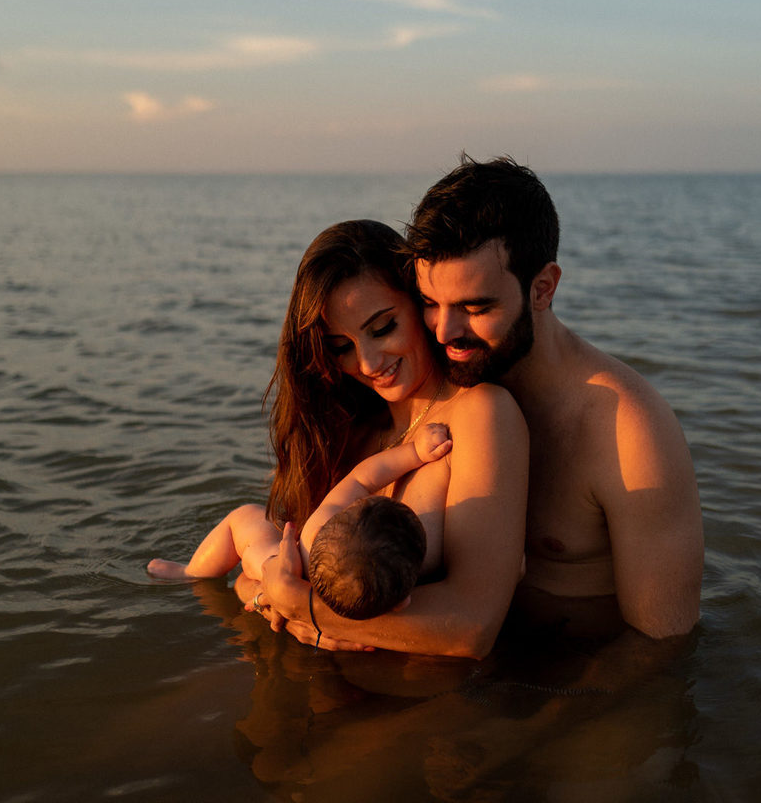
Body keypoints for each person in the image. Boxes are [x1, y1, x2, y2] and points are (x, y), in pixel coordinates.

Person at [405, 155, 703, 639]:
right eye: (429, 303)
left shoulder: (627, 429)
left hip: (568, 669)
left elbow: (662, 647)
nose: (444, 332)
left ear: (543, 289)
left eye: (475, 307)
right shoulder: (430, 381)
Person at [203, 219, 528, 657]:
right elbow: (262, 572)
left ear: (421, 304)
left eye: (383, 327)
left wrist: (304, 608)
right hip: (324, 675)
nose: (369, 363)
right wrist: (272, 599)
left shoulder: (479, 413)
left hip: (426, 693)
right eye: (341, 347)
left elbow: (474, 627)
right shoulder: (351, 434)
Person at [147, 422, 452, 621]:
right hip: (301, 588)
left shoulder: (318, 528)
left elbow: (361, 479)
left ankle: (191, 572)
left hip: (274, 562)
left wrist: (414, 452)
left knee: (244, 518)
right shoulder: (391, 587)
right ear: (402, 603)